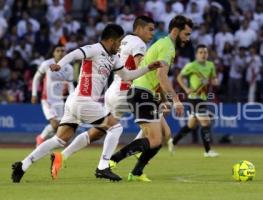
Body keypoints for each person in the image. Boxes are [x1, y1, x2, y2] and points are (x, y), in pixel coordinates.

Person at [11, 24, 162, 183]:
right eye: (118, 42)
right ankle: (103, 167)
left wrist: (148, 68)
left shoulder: (113, 57)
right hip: (83, 101)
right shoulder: (95, 49)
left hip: (76, 102)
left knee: (60, 139)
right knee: (115, 127)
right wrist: (60, 64)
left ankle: (22, 165)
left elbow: (127, 75)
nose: (119, 46)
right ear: (111, 41)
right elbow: (74, 54)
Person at [49, 16, 171, 180]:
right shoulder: (139, 44)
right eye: (150, 29)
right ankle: (112, 162)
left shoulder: (125, 40)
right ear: (139, 28)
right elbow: (137, 66)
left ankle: (62, 156)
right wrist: (158, 93)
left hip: (113, 90)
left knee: (99, 131)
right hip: (125, 92)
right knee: (157, 127)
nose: (152, 33)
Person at [109, 15, 193, 182]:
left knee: (162, 135)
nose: (188, 38)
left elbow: (156, 78)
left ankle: (136, 172)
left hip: (145, 93)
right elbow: (162, 76)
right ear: (177, 30)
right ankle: (113, 160)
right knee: (155, 139)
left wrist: (163, 101)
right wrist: (176, 100)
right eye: (187, 34)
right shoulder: (168, 47)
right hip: (142, 93)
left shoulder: (164, 44)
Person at [169, 44, 220, 157]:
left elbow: (214, 79)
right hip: (194, 98)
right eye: (201, 52)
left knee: (191, 126)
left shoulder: (211, 65)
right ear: (196, 54)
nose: (203, 54)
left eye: (205, 52)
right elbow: (179, 77)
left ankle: (173, 141)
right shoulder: (191, 66)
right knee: (205, 122)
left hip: (203, 98)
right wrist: (186, 88)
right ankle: (208, 151)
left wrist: (212, 82)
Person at [32, 45, 74, 146]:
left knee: (59, 126)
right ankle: (41, 139)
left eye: (63, 51)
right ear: (53, 53)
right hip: (47, 99)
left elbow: (70, 84)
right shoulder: (46, 64)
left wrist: (73, 97)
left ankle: (41, 138)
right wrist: (34, 94)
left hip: (59, 100)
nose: (60, 52)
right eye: (58, 50)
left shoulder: (69, 67)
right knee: (55, 125)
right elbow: (36, 78)